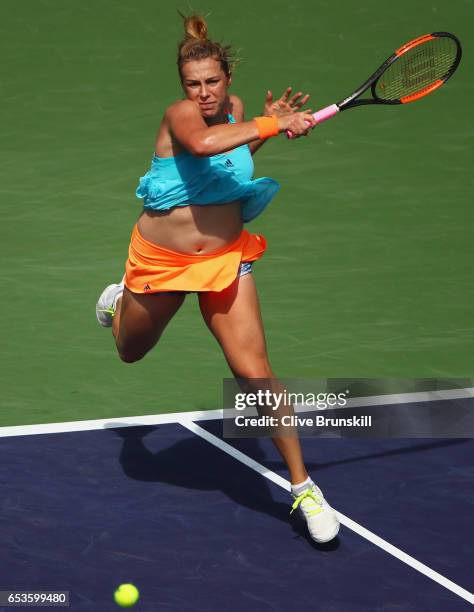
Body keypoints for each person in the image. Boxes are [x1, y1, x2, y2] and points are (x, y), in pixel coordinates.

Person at [96, 13, 339, 543]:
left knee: (254, 372)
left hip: (226, 259)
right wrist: (276, 125)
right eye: (193, 84)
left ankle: (303, 488)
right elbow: (203, 147)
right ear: (182, 87)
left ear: (227, 78)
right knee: (129, 352)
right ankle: (118, 305)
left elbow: (226, 164)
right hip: (163, 262)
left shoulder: (236, 112)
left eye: (212, 82)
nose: (203, 94)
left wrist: (263, 129)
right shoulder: (179, 116)